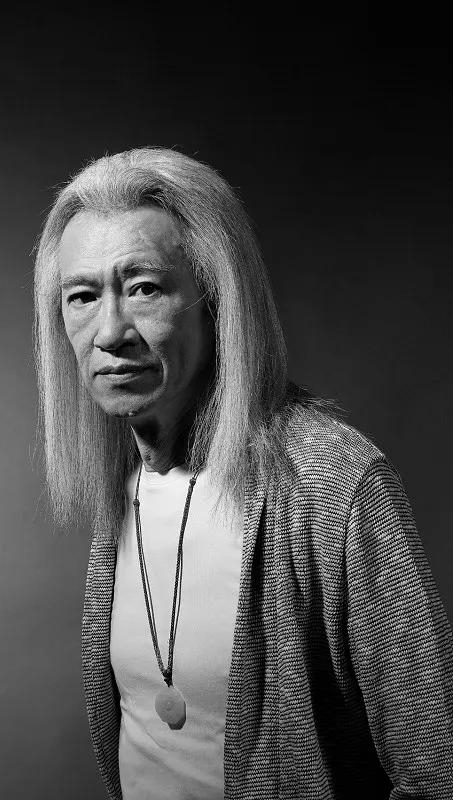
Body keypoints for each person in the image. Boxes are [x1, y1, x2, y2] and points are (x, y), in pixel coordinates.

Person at [33, 147, 453, 800]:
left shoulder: (332, 481)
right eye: (82, 296)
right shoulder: (125, 483)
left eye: (144, 288)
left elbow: (437, 765)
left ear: (216, 300)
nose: (110, 331)